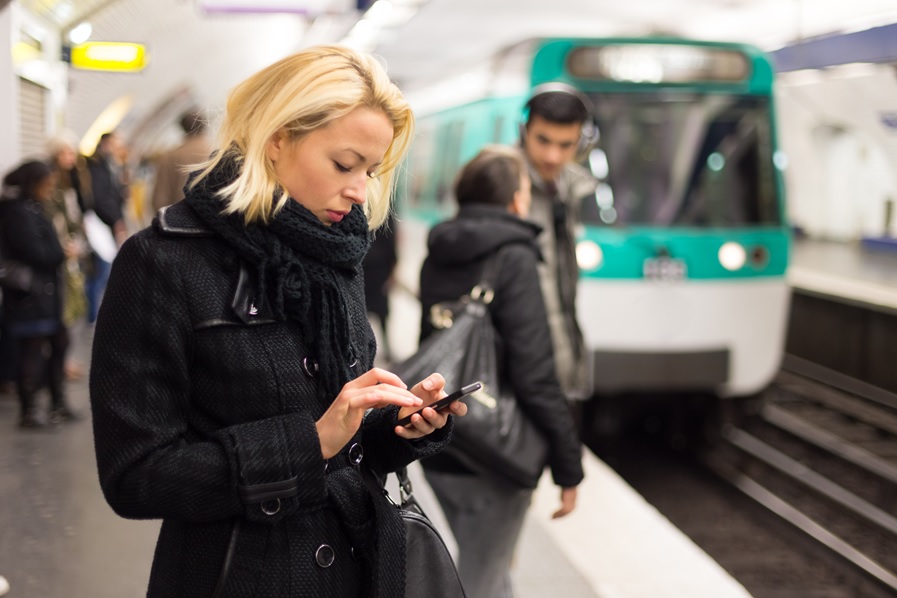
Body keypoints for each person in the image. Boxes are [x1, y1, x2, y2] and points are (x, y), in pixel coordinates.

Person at [89, 44, 465, 598]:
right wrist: (309, 444)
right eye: (344, 164)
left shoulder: (336, 253)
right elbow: (135, 475)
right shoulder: (162, 262)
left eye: (371, 169)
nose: (360, 190)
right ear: (277, 139)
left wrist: (395, 427)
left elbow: (343, 442)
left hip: (359, 569)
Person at [418, 146, 584, 598]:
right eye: (526, 190)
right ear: (515, 199)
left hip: (444, 443)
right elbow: (535, 371)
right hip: (497, 452)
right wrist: (569, 466)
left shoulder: (440, 249)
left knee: (487, 570)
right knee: (481, 580)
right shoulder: (514, 256)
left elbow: (431, 348)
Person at [519, 84, 599, 423]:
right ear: (524, 132)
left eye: (566, 145)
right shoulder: (502, 181)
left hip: (557, 360)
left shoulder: (572, 189)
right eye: (543, 140)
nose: (553, 156)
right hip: (521, 367)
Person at [0, 160, 76, 427]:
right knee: (31, 349)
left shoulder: (28, 208)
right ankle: (30, 411)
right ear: (33, 184)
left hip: (42, 292)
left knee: (58, 342)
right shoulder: (18, 213)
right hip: (29, 294)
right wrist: (61, 253)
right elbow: (37, 252)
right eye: (46, 184)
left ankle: (57, 404)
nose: (50, 189)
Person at [46, 132, 92, 379]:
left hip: (72, 249)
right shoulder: (51, 182)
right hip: (61, 253)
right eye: (65, 152)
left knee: (73, 306)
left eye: (72, 152)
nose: (70, 157)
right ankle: (59, 362)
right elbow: (55, 218)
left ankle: (64, 360)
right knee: (65, 307)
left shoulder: (73, 178)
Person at [85, 131, 128, 324]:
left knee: (104, 270)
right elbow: (102, 198)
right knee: (102, 271)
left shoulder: (108, 164)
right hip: (101, 224)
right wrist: (116, 219)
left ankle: (96, 315)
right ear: (105, 144)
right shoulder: (97, 166)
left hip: (105, 222)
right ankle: (93, 316)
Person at [150, 108, 213, 211]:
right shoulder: (217, 152)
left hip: (178, 221)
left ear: (182, 128)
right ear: (204, 125)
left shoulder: (169, 156)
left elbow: (159, 199)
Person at [362, 211, 398, 364]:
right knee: (380, 311)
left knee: (364, 311)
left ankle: (364, 350)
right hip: (378, 268)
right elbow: (391, 242)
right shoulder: (383, 211)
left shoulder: (357, 207)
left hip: (365, 266)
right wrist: (393, 269)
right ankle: (384, 348)